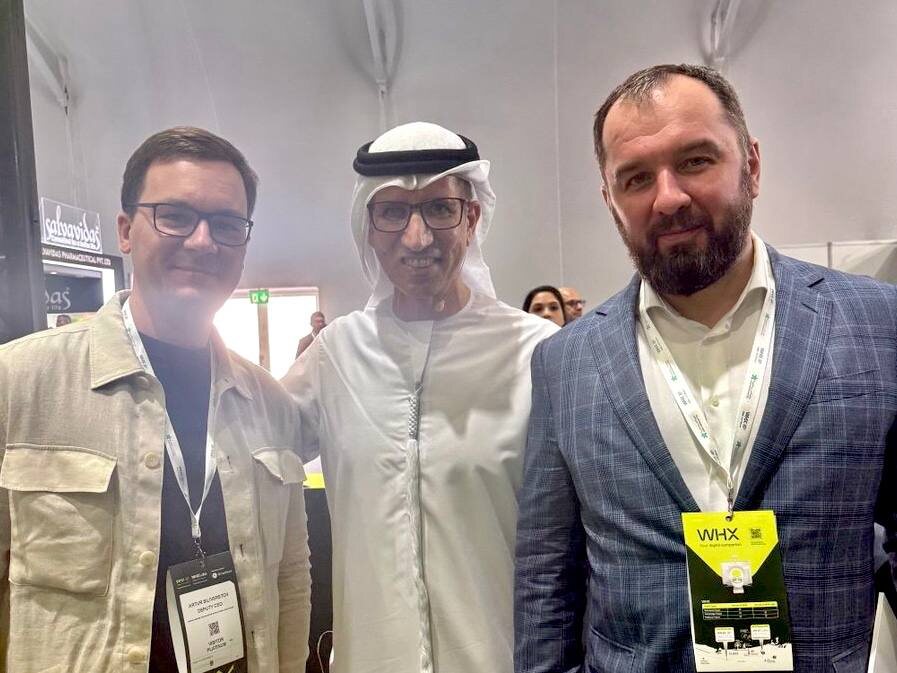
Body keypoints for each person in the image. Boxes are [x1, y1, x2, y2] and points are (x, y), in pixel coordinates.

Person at [514, 64, 897, 672]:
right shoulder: (565, 362)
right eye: (636, 178)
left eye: (695, 161)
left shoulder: (877, 324)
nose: (667, 197)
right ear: (610, 200)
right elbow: (546, 580)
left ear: (752, 165)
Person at [0, 127, 311, 672]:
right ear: (126, 230)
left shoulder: (271, 405)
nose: (202, 241)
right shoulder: (20, 383)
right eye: (175, 216)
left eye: (226, 224)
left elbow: (290, 578)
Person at [282, 121, 558, 673]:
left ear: (471, 218)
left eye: (438, 209)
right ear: (369, 225)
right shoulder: (335, 355)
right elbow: (247, 439)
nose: (416, 238)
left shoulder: (536, 352)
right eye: (392, 212)